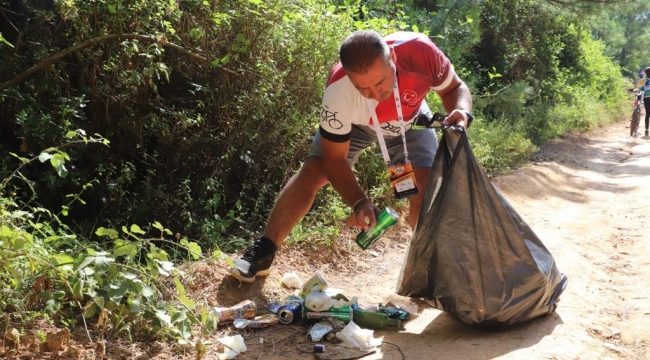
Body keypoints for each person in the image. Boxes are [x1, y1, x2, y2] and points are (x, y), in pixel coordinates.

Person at [229, 30, 474, 282]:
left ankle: (430, 266)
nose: (376, 95)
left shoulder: (419, 52)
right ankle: (263, 252)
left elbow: (455, 88)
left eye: (380, 83)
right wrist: (359, 202)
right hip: (358, 125)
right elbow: (334, 160)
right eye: (363, 89)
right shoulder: (338, 91)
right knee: (313, 172)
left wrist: (462, 112)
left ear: (392, 57)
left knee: (423, 189)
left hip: (409, 122)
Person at [634, 67, 650, 136]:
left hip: (647, 98)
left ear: (646, 73)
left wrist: (632, 89)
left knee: (648, 114)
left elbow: (637, 86)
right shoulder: (644, 80)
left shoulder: (644, 80)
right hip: (646, 97)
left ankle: (646, 130)